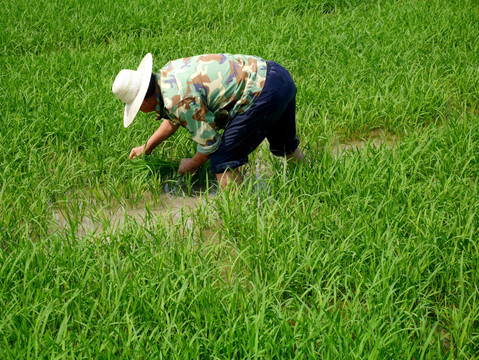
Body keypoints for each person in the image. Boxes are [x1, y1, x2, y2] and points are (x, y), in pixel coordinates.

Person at [112, 53, 304, 188]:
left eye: (137, 106)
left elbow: (210, 143)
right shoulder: (166, 75)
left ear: (146, 101)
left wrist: (192, 164)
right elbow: (174, 119)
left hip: (262, 93)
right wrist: (147, 147)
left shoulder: (177, 101)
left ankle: (239, 218)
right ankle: (307, 178)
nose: (140, 111)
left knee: (222, 159)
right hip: (278, 76)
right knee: (285, 145)